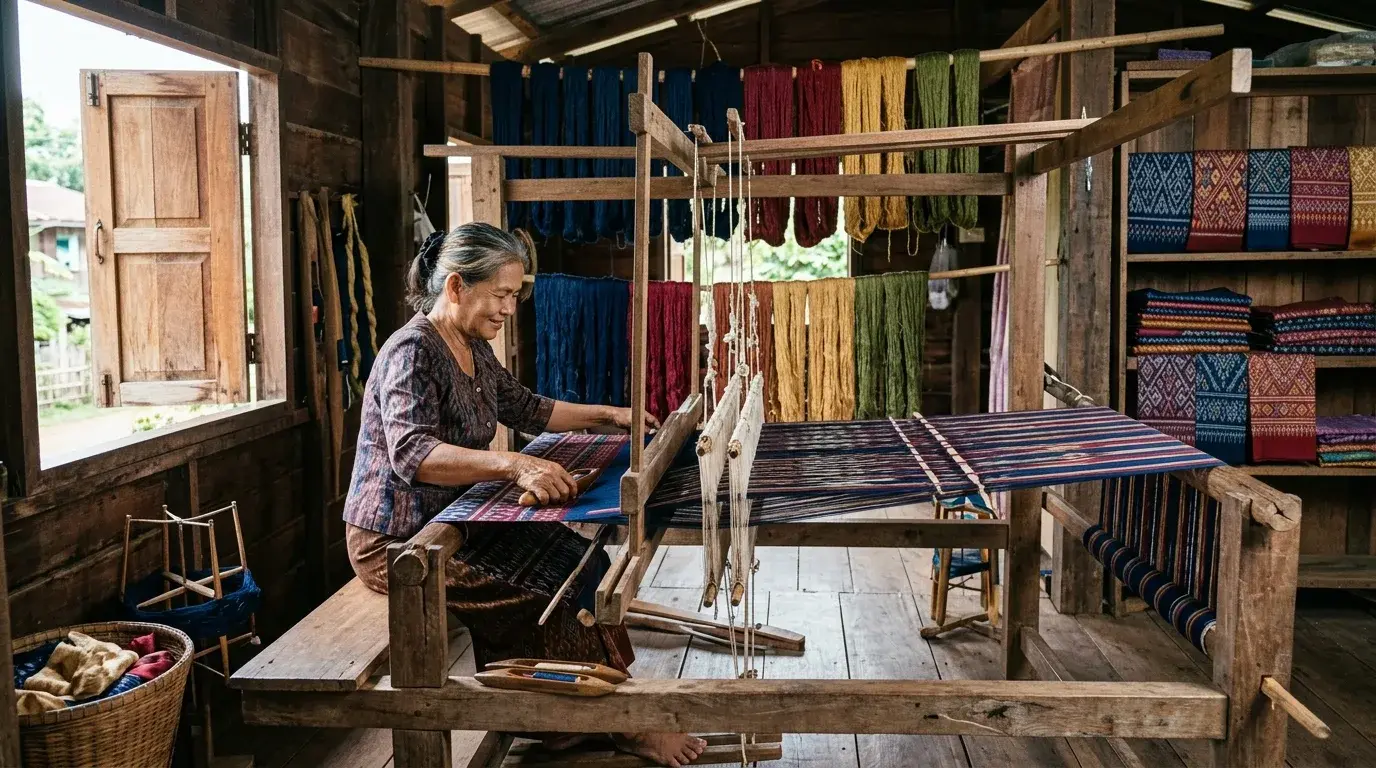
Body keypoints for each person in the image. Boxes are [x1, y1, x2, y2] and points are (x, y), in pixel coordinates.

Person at [343, 223, 705, 767]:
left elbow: (525, 408)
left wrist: (608, 415)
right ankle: (617, 724)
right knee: (542, 595)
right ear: (457, 286)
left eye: (514, 295)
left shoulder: (470, 344)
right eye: (501, 294)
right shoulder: (412, 351)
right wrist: (515, 464)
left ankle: (569, 717)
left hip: (457, 519)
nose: (509, 309)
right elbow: (412, 454)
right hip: (399, 541)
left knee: (581, 562)